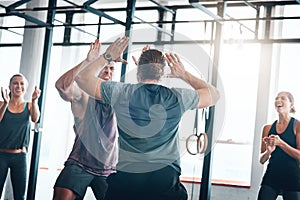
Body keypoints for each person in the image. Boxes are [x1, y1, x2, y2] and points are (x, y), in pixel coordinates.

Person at [75, 36, 220, 200]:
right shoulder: (176, 97)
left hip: (127, 179)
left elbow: (81, 78)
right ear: (163, 73)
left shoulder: (121, 92)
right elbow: (214, 95)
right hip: (164, 179)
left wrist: (107, 56)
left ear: (137, 71)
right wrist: (183, 74)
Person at [53, 39, 118, 200]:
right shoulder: (83, 95)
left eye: (111, 69)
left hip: (108, 168)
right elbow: (62, 86)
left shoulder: (117, 98)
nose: (108, 72)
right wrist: (88, 62)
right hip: (79, 164)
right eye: (104, 68)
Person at [0, 73, 41, 200]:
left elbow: (35, 118)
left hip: (20, 157)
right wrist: (6, 103)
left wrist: (34, 100)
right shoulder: (2, 104)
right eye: (15, 83)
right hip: (1, 155)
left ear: (25, 87)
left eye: (22, 83)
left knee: (20, 196)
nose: (18, 86)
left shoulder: (29, 105)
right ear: (10, 86)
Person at [258, 91, 300, 200]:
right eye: (276, 98)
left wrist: (281, 143)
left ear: (291, 104)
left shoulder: (297, 126)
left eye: (283, 98)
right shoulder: (267, 128)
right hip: (272, 177)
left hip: (293, 178)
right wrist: (268, 152)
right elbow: (261, 160)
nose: (278, 100)